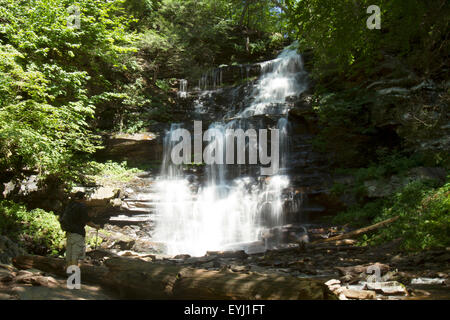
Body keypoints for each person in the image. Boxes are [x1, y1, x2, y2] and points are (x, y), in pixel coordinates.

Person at [60, 192, 101, 268]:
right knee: (77, 258)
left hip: (69, 234)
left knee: (70, 257)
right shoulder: (81, 207)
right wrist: (96, 226)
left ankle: (69, 277)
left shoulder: (69, 206)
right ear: (82, 198)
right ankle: (75, 278)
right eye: (85, 198)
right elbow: (86, 221)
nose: (85, 200)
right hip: (78, 235)